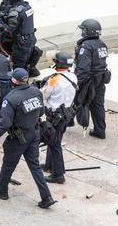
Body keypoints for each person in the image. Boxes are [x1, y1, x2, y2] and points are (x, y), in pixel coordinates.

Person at [0, 68, 56, 209]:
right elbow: (41, 111)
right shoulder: (36, 92)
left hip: (18, 138)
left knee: (8, 165)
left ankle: (1, 191)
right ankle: (46, 197)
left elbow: (4, 124)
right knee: (35, 166)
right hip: (34, 133)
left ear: (14, 81)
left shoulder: (10, 99)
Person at [40, 52, 77, 184]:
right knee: (54, 139)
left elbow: (43, 95)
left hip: (55, 115)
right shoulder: (73, 77)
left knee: (55, 144)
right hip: (66, 114)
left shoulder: (54, 80)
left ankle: (58, 174)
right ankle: (49, 165)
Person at [73, 19, 109, 139]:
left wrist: (77, 82)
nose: (82, 32)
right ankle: (100, 131)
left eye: (83, 29)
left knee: (79, 101)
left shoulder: (86, 46)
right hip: (100, 80)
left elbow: (83, 68)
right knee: (98, 105)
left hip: (89, 81)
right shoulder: (102, 44)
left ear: (88, 31)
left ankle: (70, 123)